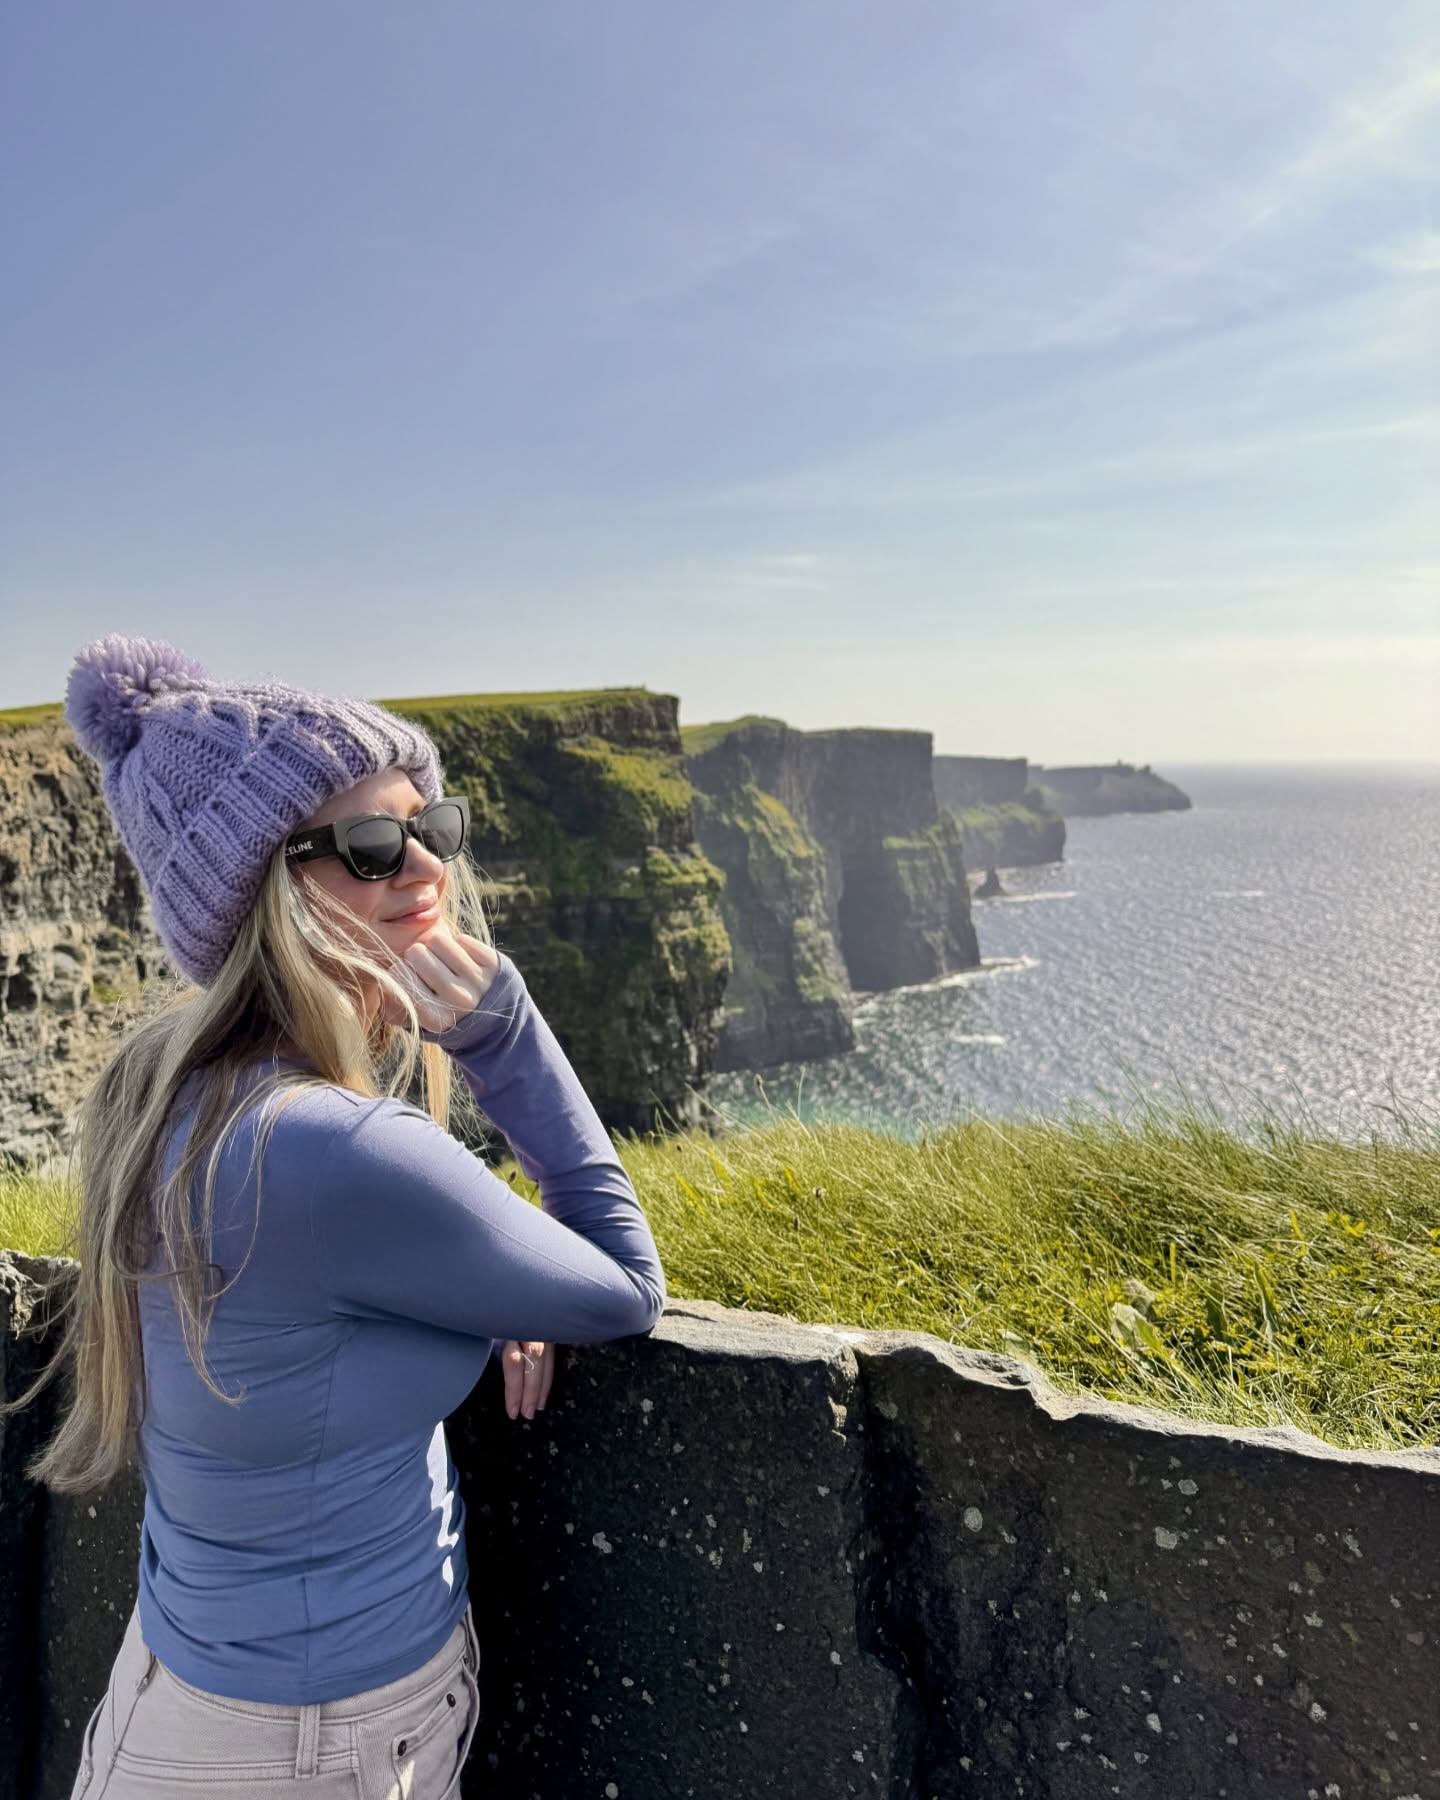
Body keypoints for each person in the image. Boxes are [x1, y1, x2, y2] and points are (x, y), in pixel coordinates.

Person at [3, 633, 667, 1799]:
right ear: (265, 893)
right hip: (307, 1749)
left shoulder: (177, 1100)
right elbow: (623, 1284)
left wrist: (480, 1284)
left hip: (187, 1690)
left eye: (431, 826)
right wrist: (508, 1041)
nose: (423, 867)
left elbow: (321, 1307)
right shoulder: (335, 1152)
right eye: (368, 844)